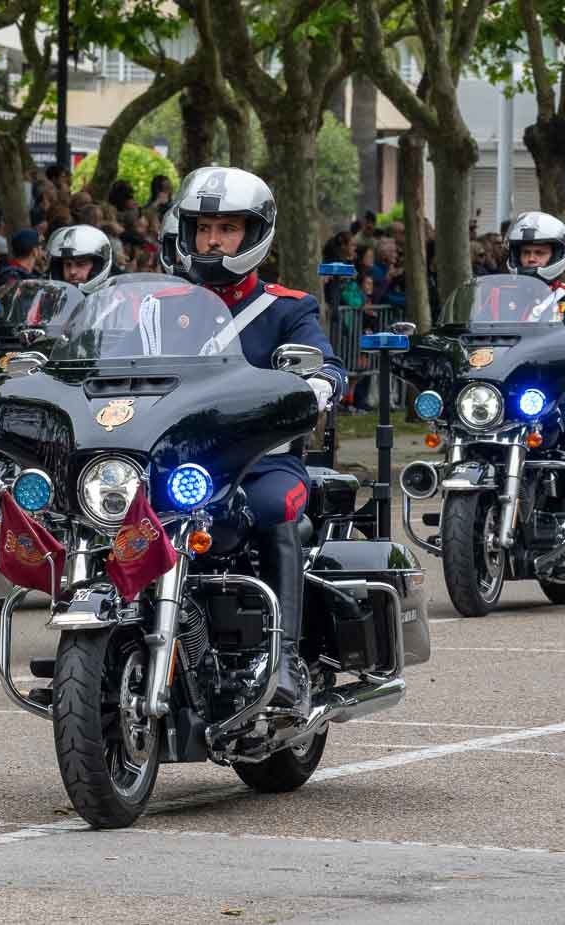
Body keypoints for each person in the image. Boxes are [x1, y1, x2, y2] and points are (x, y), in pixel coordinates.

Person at [172, 166, 346, 717]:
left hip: (261, 464)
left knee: (273, 512)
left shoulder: (286, 308)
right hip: (180, 461)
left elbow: (327, 363)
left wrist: (318, 384)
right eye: (203, 228)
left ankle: (287, 657)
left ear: (254, 234)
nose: (212, 240)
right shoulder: (162, 305)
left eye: (226, 228)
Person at [504, 211, 565, 548]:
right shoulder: (497, 298)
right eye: (525, 252)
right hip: (509, 393)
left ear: (556, 256)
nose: (531, 258)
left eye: (539, 252)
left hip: (563, 393)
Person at [45, 224, 113, 293]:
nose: (72, 272)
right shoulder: (50, 299)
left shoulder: (112, 298)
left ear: (98, 266)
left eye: (80, 264)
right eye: (67, 265)